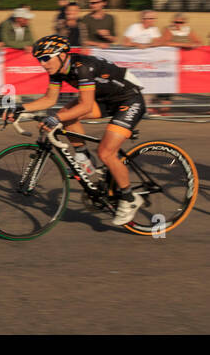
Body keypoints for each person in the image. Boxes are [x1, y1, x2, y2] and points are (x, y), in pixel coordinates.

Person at [12, 35, 148, 226]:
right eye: (39, 60)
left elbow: (85, 107)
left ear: (61, 55)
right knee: (65, 113)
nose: (43, 64)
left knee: (106, 152)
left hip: (129, 100)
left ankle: (130, 199)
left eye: (45, 58)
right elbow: (49, 100)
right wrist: (21, 109)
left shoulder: (83, 67)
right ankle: (83, 157)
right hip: (105, 100)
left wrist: (55, 118)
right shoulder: (57, 69)